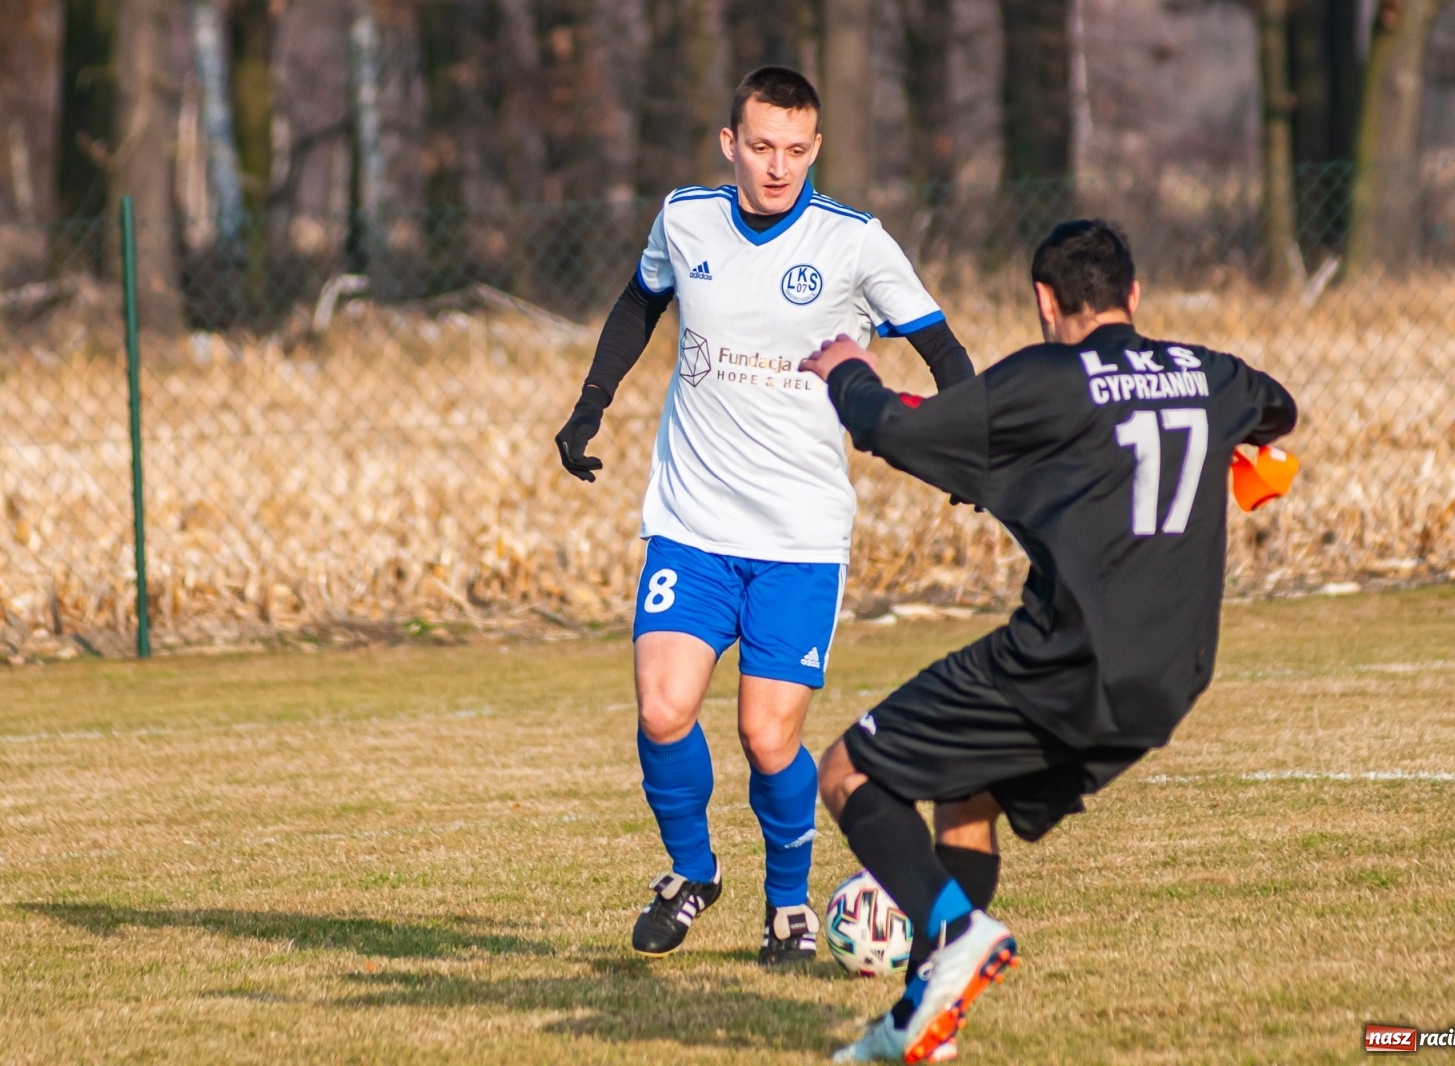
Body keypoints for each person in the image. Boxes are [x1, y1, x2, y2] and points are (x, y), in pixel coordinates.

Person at [798, 219, 1298, 1063]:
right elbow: (1277, 408)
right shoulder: (1208, 373)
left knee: (849, 771)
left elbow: (896, 429)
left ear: (1043, 299)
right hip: (1172, 678)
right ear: (1133, 295)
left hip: (1067, 658)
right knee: (967, 798)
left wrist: (847, 370)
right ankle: (925, 1020)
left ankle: (955, 931)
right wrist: (1239, 443)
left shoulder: (1047, 380)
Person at [554, 66, 976, 965]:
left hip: (799, 538)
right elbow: (639, 302)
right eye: (760, 147)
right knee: (663, 710)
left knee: (766, 735)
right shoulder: (685, 218)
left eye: (794, 149)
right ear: (730, 144)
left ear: (814, 148)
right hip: (693, 524)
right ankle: (693, 872)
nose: (777, 166)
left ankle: (787, 907)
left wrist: (969, 447)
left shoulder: (854, 242)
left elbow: (943, 350)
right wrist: (590, 406)